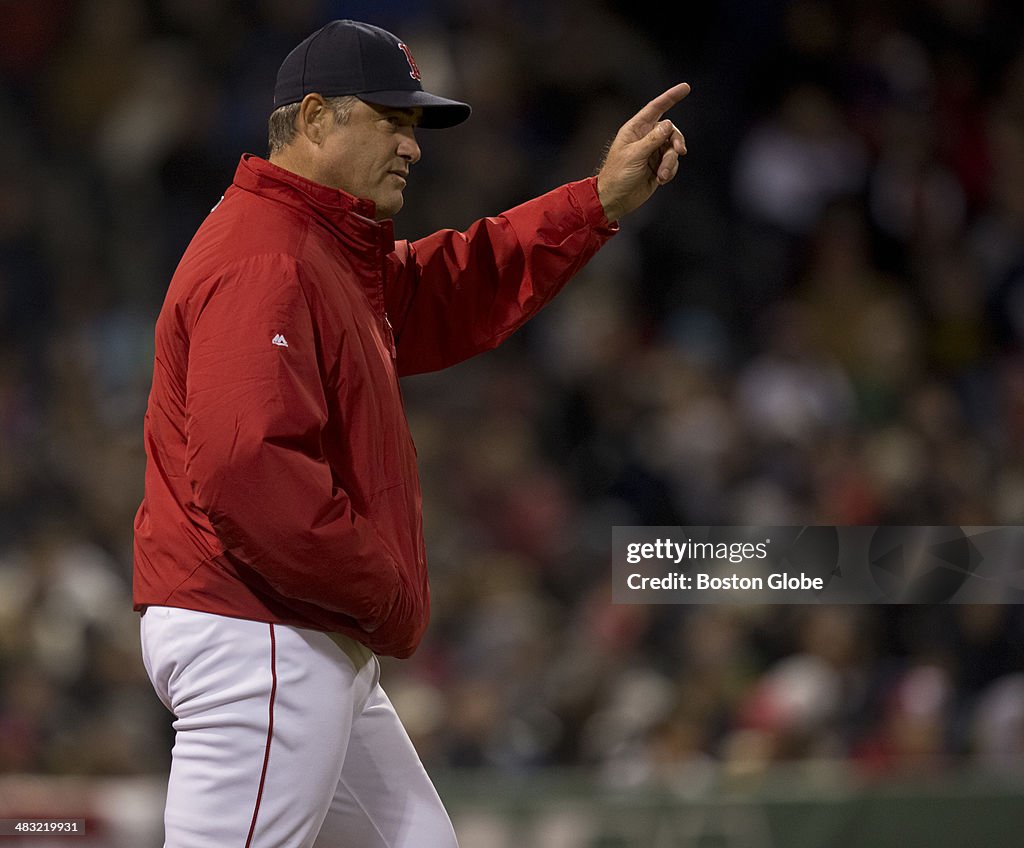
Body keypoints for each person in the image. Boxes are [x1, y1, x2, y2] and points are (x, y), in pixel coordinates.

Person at [133, 18, 688, 848]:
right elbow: (249, 473)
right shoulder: (266, 257)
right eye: (392, 120)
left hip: (297, 633)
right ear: (316, 119)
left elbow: (451, 287)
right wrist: (386, 593)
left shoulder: (312, 245)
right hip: (262, 635)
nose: (413, 145)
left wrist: (595, 202)